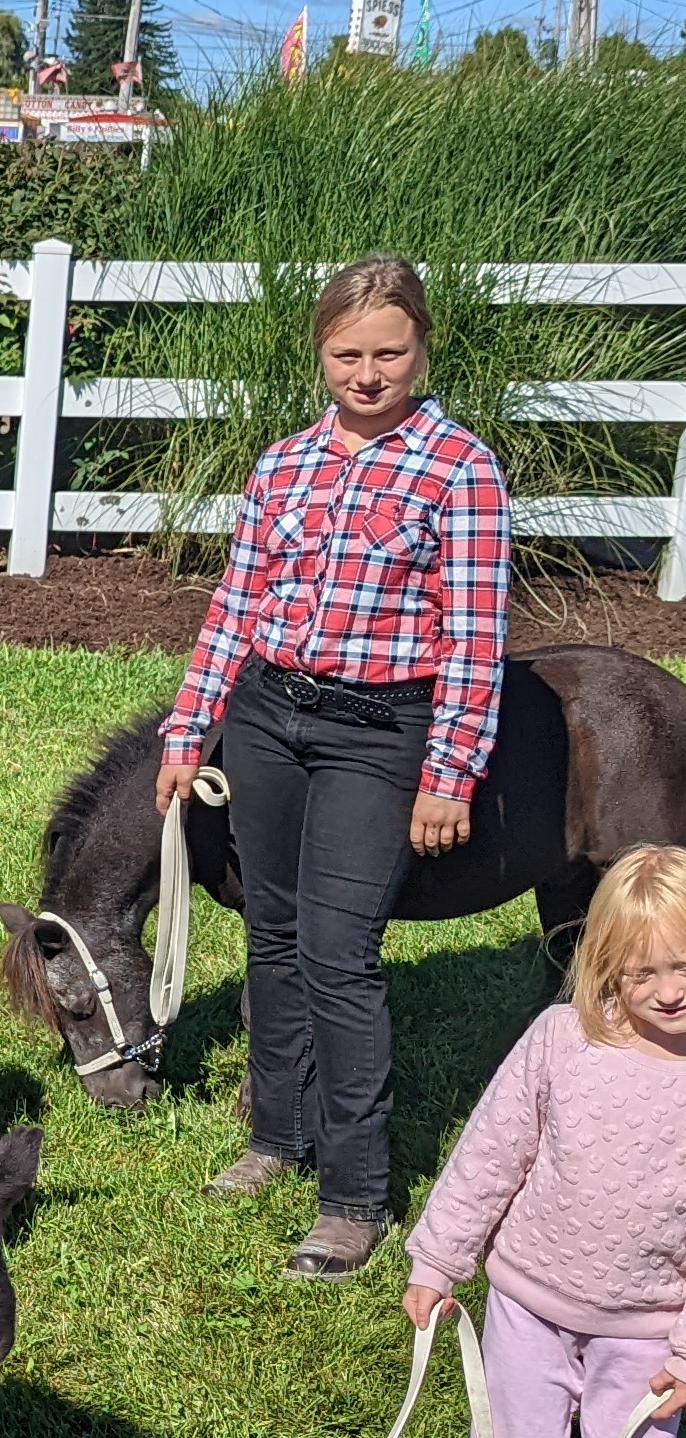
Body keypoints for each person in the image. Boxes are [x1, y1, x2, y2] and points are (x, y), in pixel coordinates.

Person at [157, 256, 511, 1280]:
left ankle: (356, 1191)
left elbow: (476, 640)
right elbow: (237, 607)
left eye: (389, 352)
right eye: (347, 353)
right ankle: (278, 1134)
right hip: (271, 715)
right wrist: (190, 734)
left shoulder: (459, 468)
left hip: (380, 730)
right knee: (270, 931)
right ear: (319, 351)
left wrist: (451, 770)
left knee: (338, 951)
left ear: (423, 348)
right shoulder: (284, 465)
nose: (367, 373)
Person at [402, 845, 686, 1438]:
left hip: (648, 1333)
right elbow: (492, 1154)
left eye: (685, 964)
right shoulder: (561, 1041)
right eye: (644, 970)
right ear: (605, 962)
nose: (669, 989)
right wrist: (439, 1259)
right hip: (528, 1303)